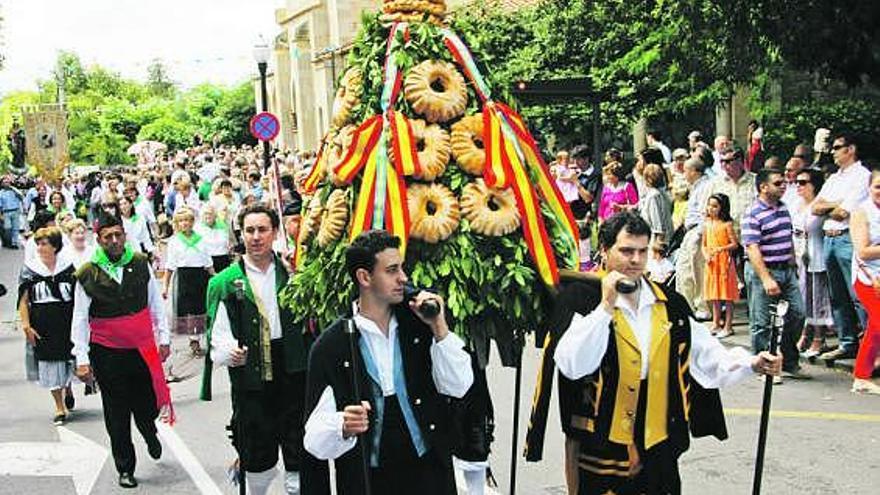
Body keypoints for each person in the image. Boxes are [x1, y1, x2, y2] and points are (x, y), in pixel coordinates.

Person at [554, 211, 780, 495]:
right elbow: (571, 363)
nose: (635, 260)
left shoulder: (670, 304)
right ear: (604, 250)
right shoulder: (583, 298)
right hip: (604, 444)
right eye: (625, 251)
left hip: (659, 439)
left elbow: (707, 356)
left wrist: (752, 363)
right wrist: (606, 307)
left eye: (641, 251)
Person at [303, 230, 474, 495]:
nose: (403, 278)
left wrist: (439, 327)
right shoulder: (332, 346)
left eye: (402, 268)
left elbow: (459, 386)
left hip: (428, 470)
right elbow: (313, 438)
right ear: (364, 277)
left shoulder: (418, 324)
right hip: (371, 478)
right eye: (392, 270)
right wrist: (342, 425)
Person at [201, 204, 313, 495]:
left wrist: (298, 270)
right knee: (257, 451)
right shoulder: (223, 282)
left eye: (262, 229)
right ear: (241, 234)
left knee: (298, 446)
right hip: (250, 377)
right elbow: (218, 333)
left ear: (274, 233)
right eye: (249, 230)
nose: (255, 236)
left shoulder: (293, 271)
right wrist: (228, 350)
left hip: (292, 370)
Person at [71, 211, 172, 489]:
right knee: (116, 411)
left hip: (141, 347)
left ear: (125, 236)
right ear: (99, 239)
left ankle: (149, 431)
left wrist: (164, 337)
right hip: (107, 351)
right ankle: (125, 467)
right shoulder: (87, 272)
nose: (114, 241)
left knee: (147, 404)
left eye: (118, 235)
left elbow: (155, 303)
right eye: (108, 237)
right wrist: (81, 358)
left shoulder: (140, 263)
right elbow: (80, 317)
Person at [742, 169, 810, 382]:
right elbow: (752, 248)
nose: (784, 186)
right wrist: (765, 278)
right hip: (763, 269)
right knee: (761, 322)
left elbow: (787, 237)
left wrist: (792, 261)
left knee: (798, 313)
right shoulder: (753, 213)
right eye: (778, 183)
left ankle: (789, 360)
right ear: (763, 187)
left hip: (786, 269)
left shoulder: (783, 208)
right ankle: (764, 366)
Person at [814, 134, 870, 362]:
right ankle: (848, 342)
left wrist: (831, 206)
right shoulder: (835, 178)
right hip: (829, 237)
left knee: (858, 294)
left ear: (851, 149)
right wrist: (834, 205)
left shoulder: (862, 176)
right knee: (837, 295)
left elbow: (845, 212)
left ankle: (871, 344)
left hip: (848, 237)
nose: (833, 152)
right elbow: (815, 207)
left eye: (837, 147)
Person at [17, 226, 76, 425]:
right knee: (50, 363)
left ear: (55, 246)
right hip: (43, 321)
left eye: (44, 244)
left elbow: (78, 296)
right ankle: (59, 406)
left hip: (66, 318)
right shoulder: (30, 269)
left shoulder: (68, 267)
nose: (40, 248)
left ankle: (68, 388)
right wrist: (26, 326)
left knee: (69, 358)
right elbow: (23, 301)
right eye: (38, 244)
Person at [790, 168, 833, 359]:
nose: (798, 186)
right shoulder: (796, 203)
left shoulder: (820, 204)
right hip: (799, 253)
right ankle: (805, 334)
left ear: (814, 184)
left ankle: (819, 337)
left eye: (803, 182)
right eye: (797, 182)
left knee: (818, 296)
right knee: (802, 295)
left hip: (816, 252)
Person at [163, 207, 214, 368]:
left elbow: (208, 262)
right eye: (181, 221)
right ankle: (193, 339)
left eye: (188, 220)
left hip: (200, 276)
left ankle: (202, 336)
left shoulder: (201, 239)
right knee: (188, 310)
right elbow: (170, 266)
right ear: (177, 224)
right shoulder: (174, 241)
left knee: (201, 308)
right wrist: (165, 286)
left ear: (192, 222)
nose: (185, 223)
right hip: (184, 277)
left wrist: (215, 276)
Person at [850, 169, 880, 395]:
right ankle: (861, 375)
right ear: (869, 187)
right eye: (878, 186)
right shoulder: (862, 212)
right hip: (868, 277)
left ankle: (862, 373)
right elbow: (863, 251)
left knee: (875, 327)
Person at [676, 158, 712, 319]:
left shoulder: (706, 186)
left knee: (696, 271)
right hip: (690, 231)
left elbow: (705, 213)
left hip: (697, 232)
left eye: (686, 171)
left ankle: (702, 306)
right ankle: (687, 305)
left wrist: (699, 234)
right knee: (685, 271)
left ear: (694, 171)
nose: (684, 174)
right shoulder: (696, 187)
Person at [702, 193, 739, 338]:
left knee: (727, 294)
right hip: (711, 262)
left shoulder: (727, 224)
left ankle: (728, 325)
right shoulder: (707, 223)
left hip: (724, 262)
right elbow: (704, 244)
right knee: (714, 295)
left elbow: (734, 244)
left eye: (715, 206)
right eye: (709, 205)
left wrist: (721, 249)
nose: (711, 209)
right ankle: (716, 323)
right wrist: (706, 255)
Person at [637, 163, 673, 243]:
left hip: (657, 241)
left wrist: (658, 244)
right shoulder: (663, 193)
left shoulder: (653, 196)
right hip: (668, 236)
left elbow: (657, 223)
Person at [195, 204, 232, 273]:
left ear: (215, 215)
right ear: (201, 216)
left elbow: (228, 243)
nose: (208, 216)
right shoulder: (197, 228)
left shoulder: (223, 226)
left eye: (210, 213)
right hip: (206, 262)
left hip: (223, 259)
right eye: (205, 213)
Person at [0, 175, 24, 249]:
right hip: (6, 212)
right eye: (5, 182)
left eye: (8, 182)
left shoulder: (14, 190)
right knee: (7, 228)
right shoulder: (1, 192)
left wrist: (13, 188)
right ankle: (8, 241)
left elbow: (21, 197)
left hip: (15, 211)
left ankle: (14, 243)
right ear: (2, 184)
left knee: (15, 228)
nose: (6, 183)